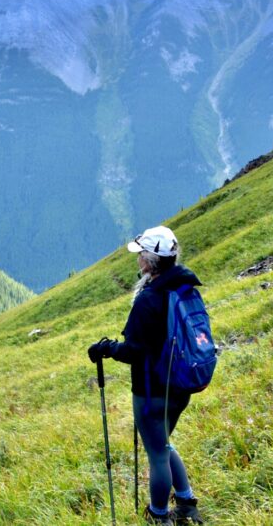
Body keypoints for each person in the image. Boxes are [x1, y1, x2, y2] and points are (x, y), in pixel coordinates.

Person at [88, 225, 204, 525]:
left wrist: (107, 348)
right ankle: (187, 501)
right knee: (163, 443)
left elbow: (134, 351)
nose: (137, 257)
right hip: (180, 383)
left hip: (152, 389)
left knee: (157, 453)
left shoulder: (149, 299)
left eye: (141, 252)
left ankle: (159, 516)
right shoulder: (182, 287)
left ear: (149, 260)